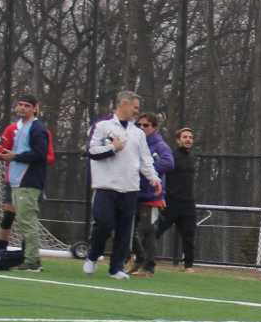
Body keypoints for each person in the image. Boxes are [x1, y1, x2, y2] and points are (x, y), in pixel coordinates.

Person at [84, 90, 160, 280]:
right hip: (106, 187)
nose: (137, 111)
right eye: (135, 107)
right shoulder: (102, 126)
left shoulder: (138, 133)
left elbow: (145, 160)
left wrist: (154, 178)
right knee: (104, 224)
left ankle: (116, 268)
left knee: (125, 230)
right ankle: (93, 255)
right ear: (123, 104)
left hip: (130, 188)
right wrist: (113, 148)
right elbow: (92, 151)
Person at [0, 96, 51, 271]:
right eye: (20, 105)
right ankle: (29, 258)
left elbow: (41, 154)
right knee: (22, 220)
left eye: (27, 106)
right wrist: (8, 154)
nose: (22, 108)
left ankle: (32, 261)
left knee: (27, 221)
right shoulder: (19, 128)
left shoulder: (37, 128)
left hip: (29, 181)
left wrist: (15, 156)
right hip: (17, 181)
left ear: (35, 108)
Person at [130, 113, 173, 277]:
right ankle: (138, 261)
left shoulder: (160, 145)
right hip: (134, 193)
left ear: (154, 127)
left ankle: (148, 266)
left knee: (147, 232)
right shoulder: (136, 143)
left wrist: (148, 170)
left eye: (146, 125)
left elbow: (168, 162)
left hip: (151, 196)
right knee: (130, 231)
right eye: (139, 125)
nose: (141, 128)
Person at [155, 125, 198, 270]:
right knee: (156, 231)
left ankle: (188, 266)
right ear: (178, 140)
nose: (188, 140)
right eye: (185, 137)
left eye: (190, 137)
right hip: (171, 202)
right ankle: (141, 257)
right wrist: (162, 196)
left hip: (188, 204)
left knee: (189, 235)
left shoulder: (192, 157)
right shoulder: (171, 157)